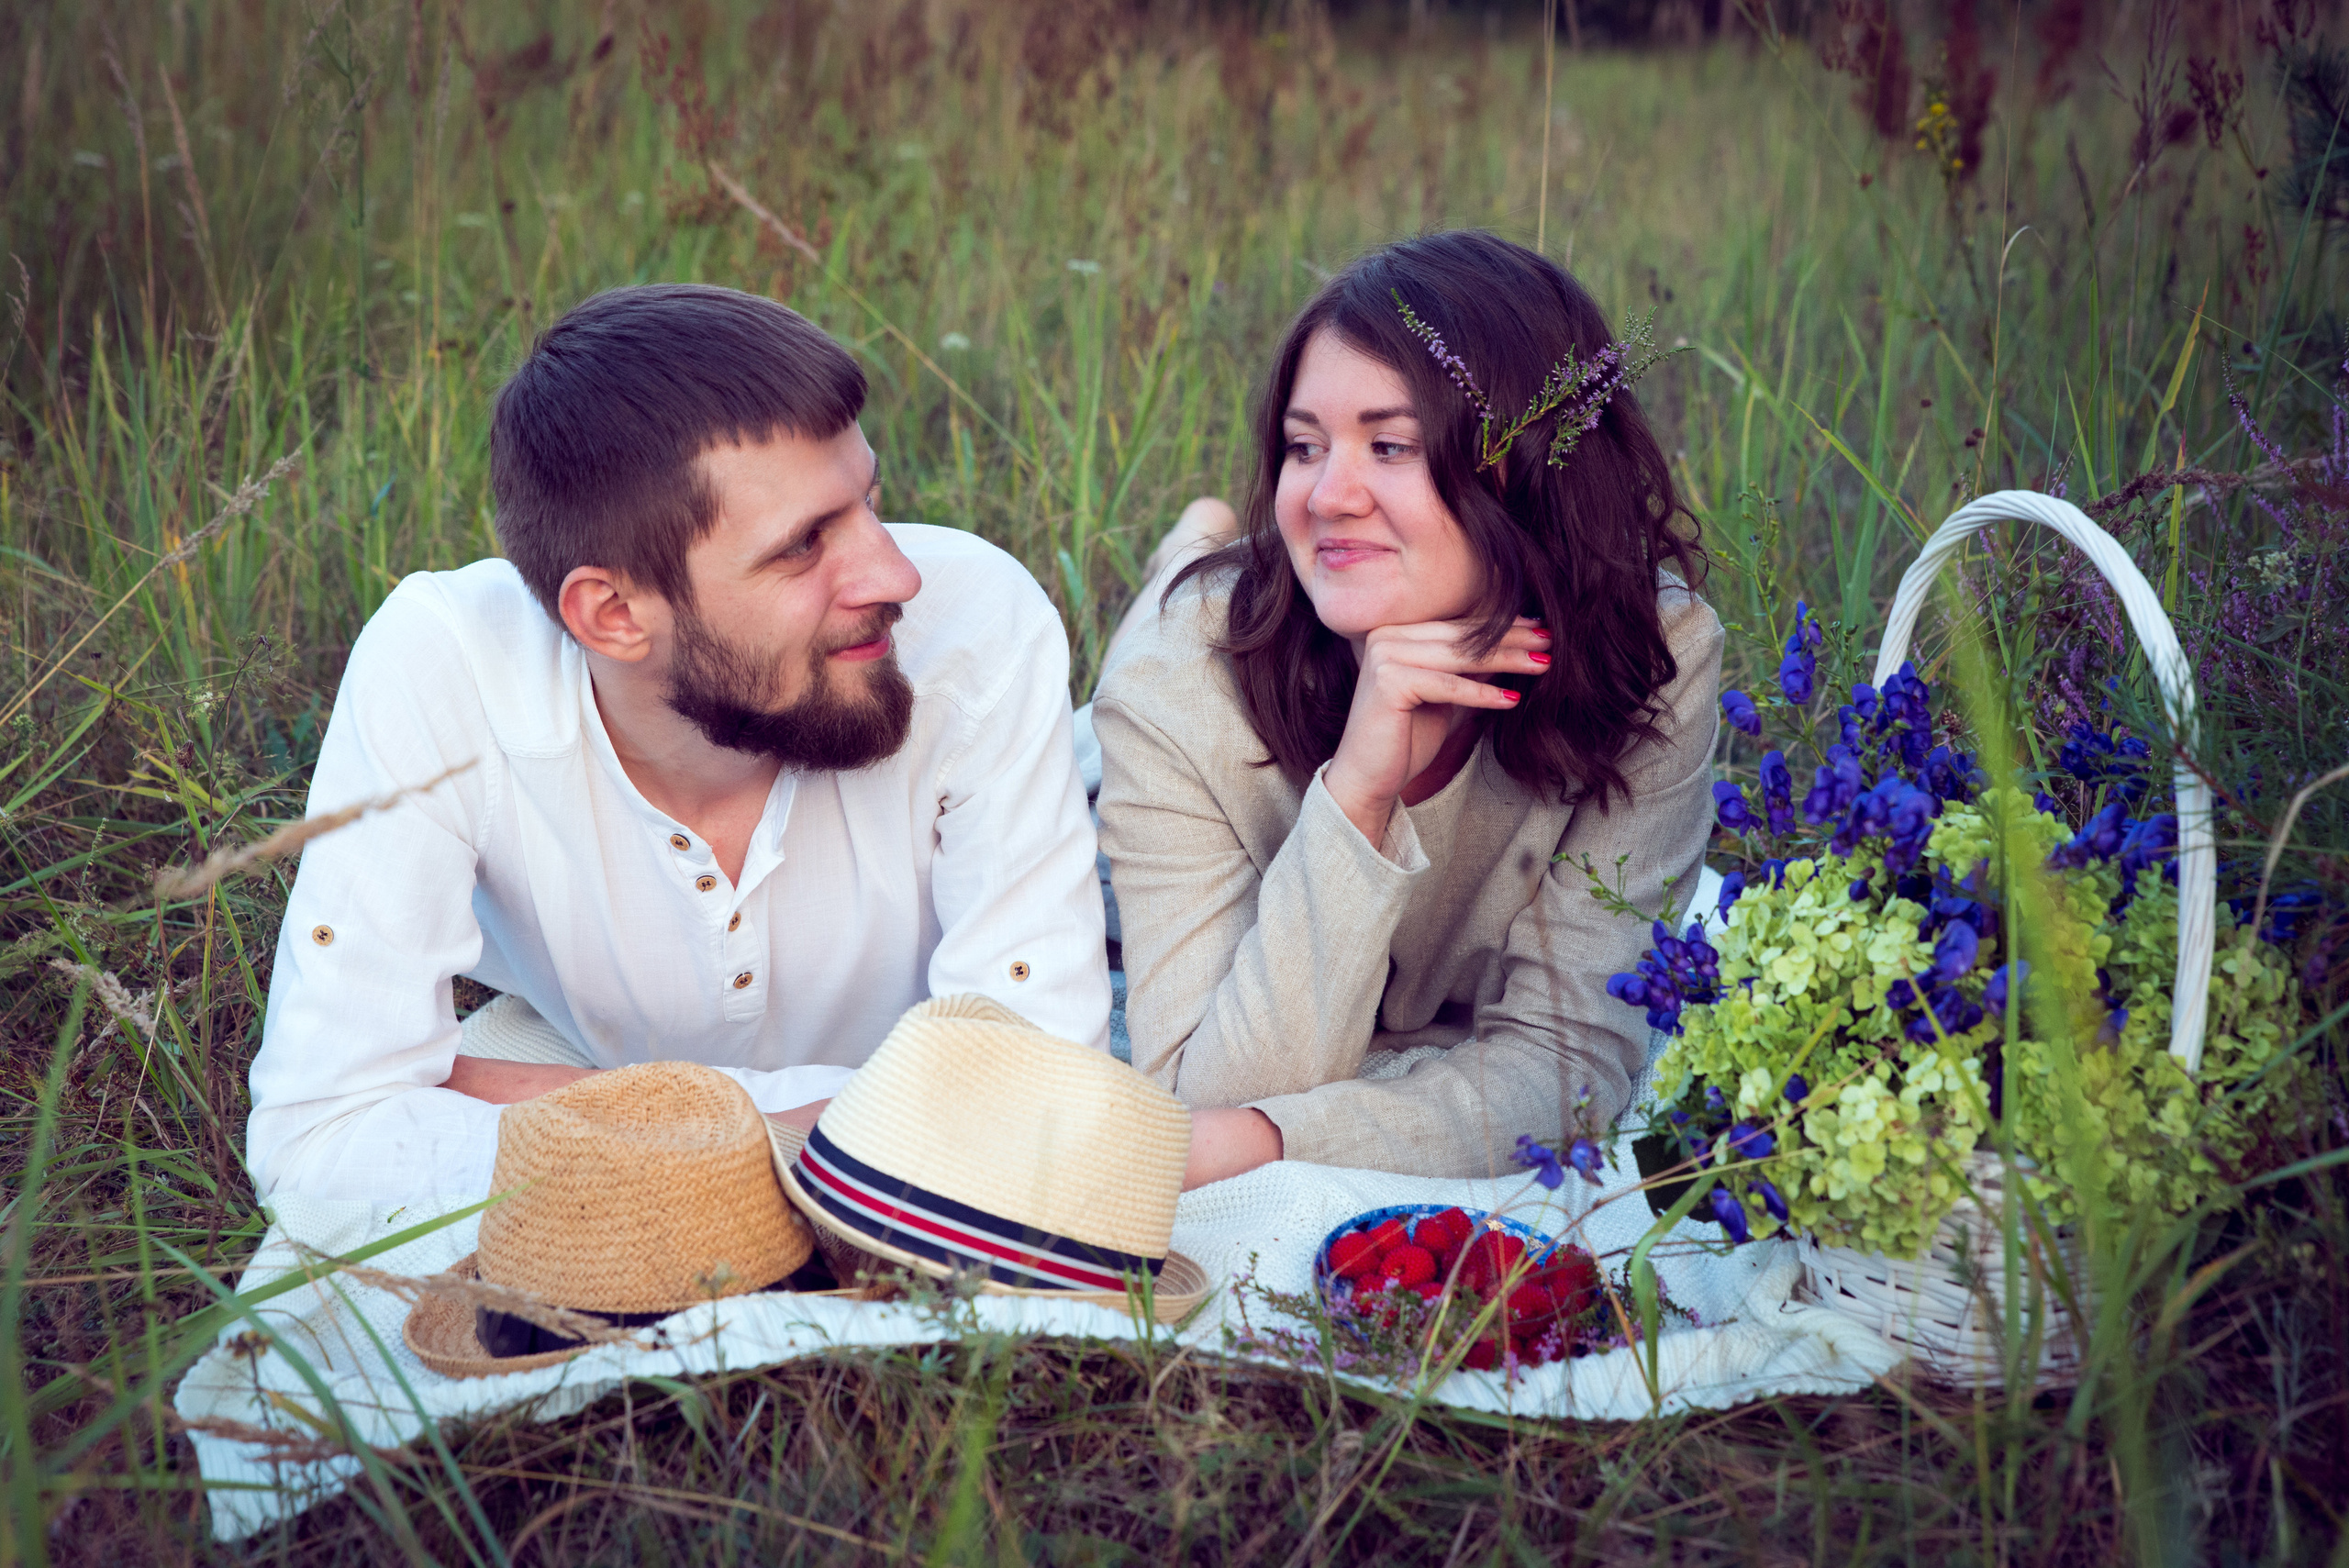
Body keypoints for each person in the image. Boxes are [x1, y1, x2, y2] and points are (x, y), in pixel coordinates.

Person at [248, 284, 1110, 1207]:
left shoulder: (972, 621)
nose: (895, 572)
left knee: (1144, 699)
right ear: (614, 615)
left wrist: (518, 1098)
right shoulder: (447, 665)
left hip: (1088, 817)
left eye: (868, 500)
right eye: (802, 546)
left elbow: (1041, 1101)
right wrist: (848, 1123)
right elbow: (322, 1131)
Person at [1095, 230, 1724, 1187]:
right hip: (1116, 750)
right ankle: (1188, 552)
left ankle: (1196, 538)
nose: (1327, 494)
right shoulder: (1172, 687)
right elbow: (1202, 1098)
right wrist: (1357, 790)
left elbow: (1569, 1063)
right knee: (1156, 632)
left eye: (1389, 446)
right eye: (1304, 448)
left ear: (1528, 474)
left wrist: (1275, 1140)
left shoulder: (1652, 655)